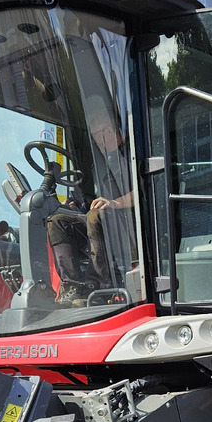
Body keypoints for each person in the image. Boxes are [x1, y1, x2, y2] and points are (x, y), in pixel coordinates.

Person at [45, 119, 133, 306]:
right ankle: (73, 286)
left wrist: (115, 203)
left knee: (94, 216)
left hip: (131, 226)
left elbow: (145, 191)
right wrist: (78, 205)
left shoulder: (132, 154)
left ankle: (98, 285)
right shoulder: (102, 162)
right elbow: (97, 199)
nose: (95, 142)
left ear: (109, 130)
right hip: (105, 221)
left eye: (97, 135)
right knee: (57, 221)